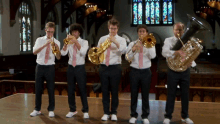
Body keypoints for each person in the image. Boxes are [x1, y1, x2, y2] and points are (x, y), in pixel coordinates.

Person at [162, 22, 195, 124]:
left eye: (180, 30)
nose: (178, 32)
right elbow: (164, 52)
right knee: (171, 93)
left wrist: (191, 62)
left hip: (185, 70)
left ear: (183, 31)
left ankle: (185, 116)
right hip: (173, 70)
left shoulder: (188, 41)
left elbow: (191, 53)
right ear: (173, 30)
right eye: (176, 30)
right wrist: (176, 52)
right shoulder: (168, 40)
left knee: (185, 94)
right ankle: (168, 116)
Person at [97, 18, 127, 121]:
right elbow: (98, 51)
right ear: (108, 28)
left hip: (115, 67)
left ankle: (114, 112)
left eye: (114, 29)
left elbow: (124, 51)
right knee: (104, 91)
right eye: (111, 28)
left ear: (117, 29)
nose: (112, 31)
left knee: (114, 91)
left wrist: (115, 42)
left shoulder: (122, 40)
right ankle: (106, 113)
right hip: (104, 66)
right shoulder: (102, 38)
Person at [126, 24, 156, 124]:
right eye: (140, 31)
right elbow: (127, 57)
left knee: (145, 95)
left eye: (143, 31)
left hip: (146, 71)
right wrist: (134, 49)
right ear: (138, 33)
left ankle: (145, 116)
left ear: (146, 33)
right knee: (134, 94)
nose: (141, 33)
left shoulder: (150, 43)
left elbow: (153, 56)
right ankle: (133, 115)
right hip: (134, 71)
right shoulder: (132, 44)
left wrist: (144, 48)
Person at [30, 22, 61, 117]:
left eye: (52, 32)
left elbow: (59, 57)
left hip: (50, 67)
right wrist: (45, 45)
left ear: (54, 31)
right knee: (38, 88)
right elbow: (34, 52)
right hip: (40, 66)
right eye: (48, 32)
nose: (50, 34)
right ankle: (37, 109)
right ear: (45, 30)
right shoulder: (39, 40)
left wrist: (56, 49)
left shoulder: (57, 42)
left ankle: (51, 109)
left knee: (51, 89)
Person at [61, 23, 89, 118]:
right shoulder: (69, 42)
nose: (74, 33)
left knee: (82, 89)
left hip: (80, 67)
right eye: (73, 31)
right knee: (70, 89)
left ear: (79, 32)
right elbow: (63, 53)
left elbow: (83, 52)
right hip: (70, 67)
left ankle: (85, 111)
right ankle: (72, 110)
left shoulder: (84, 42)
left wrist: (76, 42)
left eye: (76, 31)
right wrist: (65, 44)